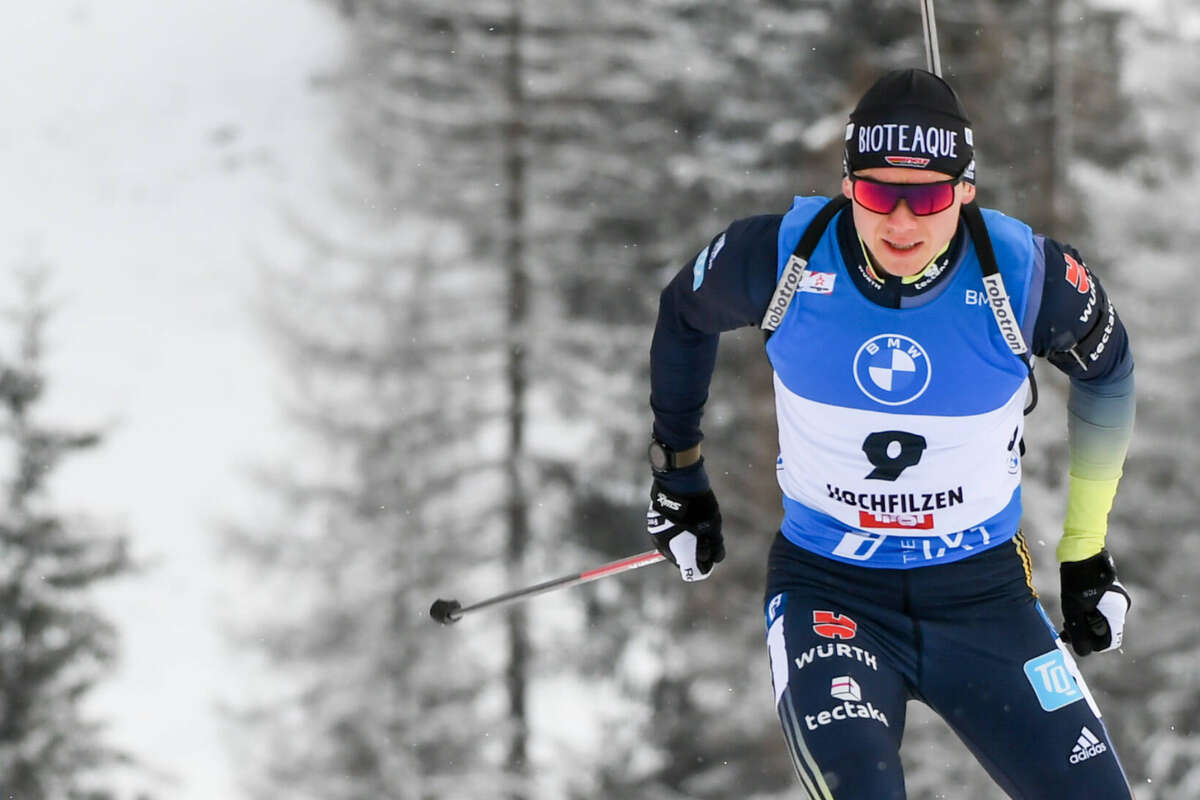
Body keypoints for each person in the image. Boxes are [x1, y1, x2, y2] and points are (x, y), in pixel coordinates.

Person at [643, 68, 1136, 798]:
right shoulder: (784, 257)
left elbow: (1109, 373)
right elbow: (684, 313)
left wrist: (1085, 552)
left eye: (928, 196)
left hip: (984, 598)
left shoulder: (1026, 276)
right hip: (831, 593)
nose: (900, 224)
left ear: (965, 189)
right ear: (848, 185)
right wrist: (679, 473)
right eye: (878, 192)